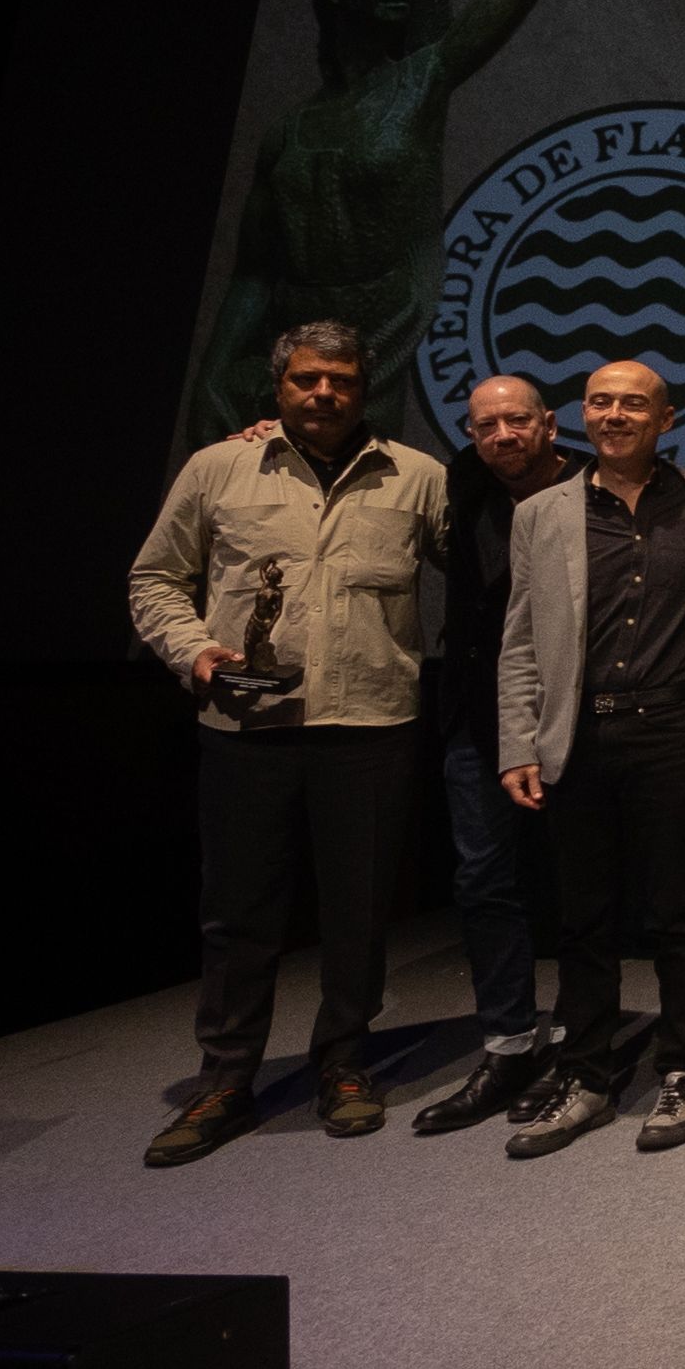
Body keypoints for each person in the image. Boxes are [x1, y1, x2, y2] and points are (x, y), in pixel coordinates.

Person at [129, 320, 452, 1165]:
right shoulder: (218, 468)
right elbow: (155, 576)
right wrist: (195, 652)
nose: (324, 394)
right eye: (308, 379)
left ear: (364, 387)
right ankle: (227, 1077)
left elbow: (488, 563)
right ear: (279, 386)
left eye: (341, 380)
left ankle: (345, 1062)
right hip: (247, 727)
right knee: (238, 914)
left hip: (372, 724)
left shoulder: (417, 476)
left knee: (359, 910)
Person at [188, 0, 555, 444]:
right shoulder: (289, 130)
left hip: (376, 336)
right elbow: (254, 272)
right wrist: (211, 375)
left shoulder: (420, 82)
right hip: (283, 349)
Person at [494, 360, 685, 1159]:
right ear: (580, 415)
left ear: (666, 420)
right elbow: (521, 639)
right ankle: (586, 1073)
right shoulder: (541, 512)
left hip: (674, 732)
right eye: (600, 401)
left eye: (633, 403)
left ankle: (683, 1066)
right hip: (580, 735)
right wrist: (518, 742)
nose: (614, 414)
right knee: (584, 918)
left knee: (675, 918)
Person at [410, 374, 591, 1136]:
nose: (504, 435)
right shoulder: (460, 482)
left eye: (518, 419)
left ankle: (586, 1042)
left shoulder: (593, 485)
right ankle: (510, 1042)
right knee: (486, 881)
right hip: (477, 720)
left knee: (585, 884)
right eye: (488, 424)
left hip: (581, 715)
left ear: (548, 423)